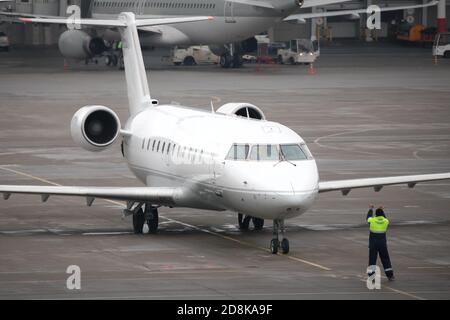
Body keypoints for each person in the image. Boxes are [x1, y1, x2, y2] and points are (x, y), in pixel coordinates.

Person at [367, 205, 395, 281]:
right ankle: (390, 275)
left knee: (372, 260)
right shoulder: (386, 221)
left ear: (375, 214)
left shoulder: (372, 221)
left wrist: (370, 209)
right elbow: (385, 218)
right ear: (382, 214)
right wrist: (381, 210)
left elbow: (368, 218)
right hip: (382, 244)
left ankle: (371, 276)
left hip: (373, 244)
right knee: (385, 259)